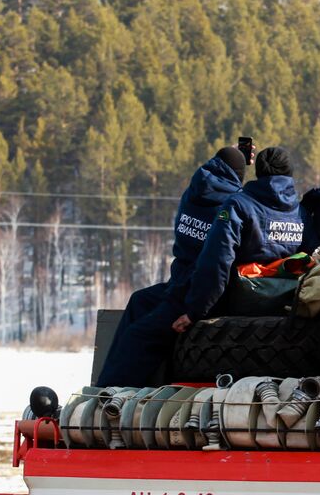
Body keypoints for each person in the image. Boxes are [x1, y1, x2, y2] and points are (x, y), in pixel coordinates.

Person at [96, 147, 246, 386]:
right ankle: (111, 394)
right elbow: (215, 268)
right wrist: (195, 309)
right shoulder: (233, 206)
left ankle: (107, 388)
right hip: (194, 290)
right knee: (141, 332)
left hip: (179, 280)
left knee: (139, 305)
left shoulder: (193, 192)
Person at [174, 145, 305, 331]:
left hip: (240, 304)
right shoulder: (302, 212)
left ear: (258, 172)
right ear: (289, 172)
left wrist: (196, 311)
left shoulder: (238, 205)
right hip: (288, 306)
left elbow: (217, 261)